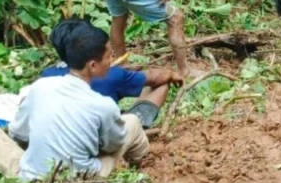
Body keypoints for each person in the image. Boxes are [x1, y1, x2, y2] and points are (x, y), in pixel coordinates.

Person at [0, 22, 149, 180]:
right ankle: (145, 165)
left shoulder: (40, 87)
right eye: (108, 56)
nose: (111, 61)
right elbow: (113, 145)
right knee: (131, 121)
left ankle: (0, 180)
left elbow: (18, 134)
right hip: (83, 180)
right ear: (93, 65)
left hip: (30, 179)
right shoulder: (104, 105)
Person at [40, 18, 181, 129]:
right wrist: (172, 73)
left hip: (61, 137)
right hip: (98, 138)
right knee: (161, 85)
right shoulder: (111, 75)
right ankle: (138, 125)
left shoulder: (46, 76)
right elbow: (155, 77)